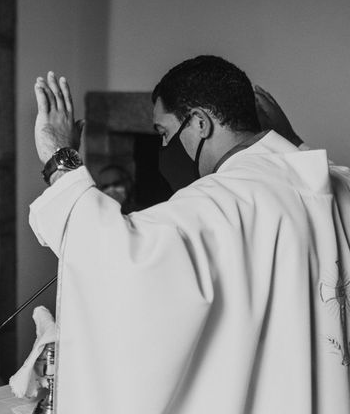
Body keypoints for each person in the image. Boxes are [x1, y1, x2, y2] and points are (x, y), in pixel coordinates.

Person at [29, 61, 350, 413]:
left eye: (164, 132)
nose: (164, 145)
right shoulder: (329, 181)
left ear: (200, 122)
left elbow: (117, 260)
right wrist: (288, 141)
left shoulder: (220, 202)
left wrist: (59, 158)